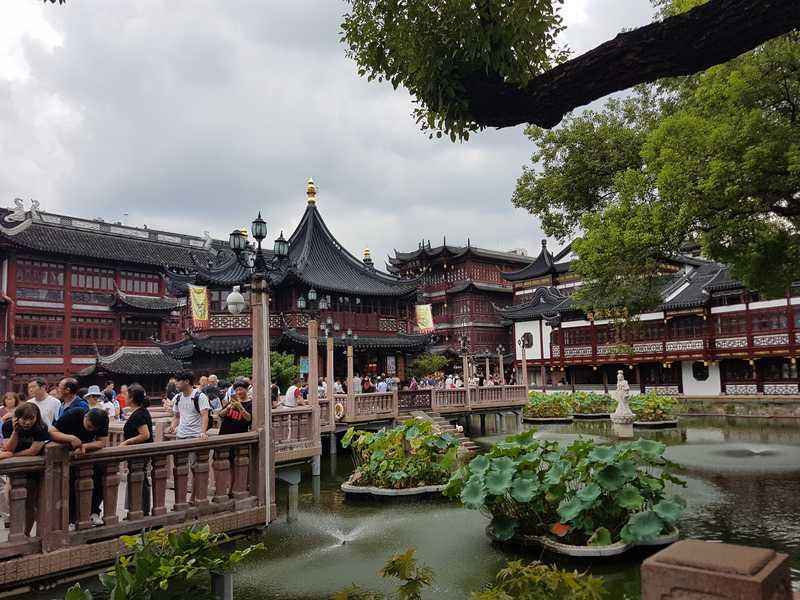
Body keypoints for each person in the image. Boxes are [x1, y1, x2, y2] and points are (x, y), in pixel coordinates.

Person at [49, 407, 109, 527]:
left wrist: (84, 446)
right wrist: (71, 438)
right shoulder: (74, 414)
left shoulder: (103, 420)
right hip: (66, 455)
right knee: (70, 487)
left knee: (99, 481)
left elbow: (102, 442)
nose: (91, 430)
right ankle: (71, 519)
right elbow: (52, 432)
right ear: (86, 416)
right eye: (89, 426)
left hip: (86, 457)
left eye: (94, 429)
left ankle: (94, 512)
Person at [119, 384, 153, 516]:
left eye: (127, 395)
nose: (125, 397)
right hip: (138, 452)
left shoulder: (139, 414)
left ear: (132, 398)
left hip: (139, 452)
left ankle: (140, 509)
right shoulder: (141, 411)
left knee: (139, 479)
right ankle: (137, 508)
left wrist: (127, 442)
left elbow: (145, 435)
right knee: (138, 478)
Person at [167, 371, 210, 440]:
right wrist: (172, 426)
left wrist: (203, 432)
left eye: (178, 380)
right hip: (180, 435)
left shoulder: (200, 396)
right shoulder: (178, 397)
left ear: (187, 381)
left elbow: (204, 416)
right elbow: (176, 416)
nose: (175, 383)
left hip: (195, 436)